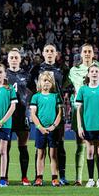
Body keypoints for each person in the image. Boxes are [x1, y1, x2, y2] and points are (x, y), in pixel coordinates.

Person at [66, 43, 99, 185]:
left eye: (89, 51)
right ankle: (79, 179)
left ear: (93, 53)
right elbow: (64, 84)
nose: (86, 54)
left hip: (96, 110)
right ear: (80, 53)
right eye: (84, 51)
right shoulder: (74, 70)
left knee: (98, 146)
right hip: (79, 110)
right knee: (80, 144)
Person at [30, 43, 68, 185]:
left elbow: (65, 86)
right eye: (47, 50)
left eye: (52, 50)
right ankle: (38, 176)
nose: (50, 53)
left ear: (56, 53)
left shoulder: (62, 68)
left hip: (55, 116)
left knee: (58, 147)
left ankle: (59, 176)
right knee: (40, 151)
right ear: (43, 53)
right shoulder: (36, 69)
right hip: (41, 118)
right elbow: (29, 85)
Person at [76, 64, 99, 188]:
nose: (94, 73)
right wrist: (80, 126)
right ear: (88, 74)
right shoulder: (83, 90)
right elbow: (79, 110)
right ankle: (91, 179)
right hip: (88, 125)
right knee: (90, 151)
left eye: (97, 71)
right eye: (92, 71)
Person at [30, 72, 63, 187]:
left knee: (53, 154)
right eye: (44, 80)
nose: (46, 83)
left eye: (49, 81)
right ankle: (39, 178)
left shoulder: (56, 96)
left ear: (52, 83)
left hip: (53, 129)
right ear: (40, 82)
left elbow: (60, 113)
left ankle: (54, 178)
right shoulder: (36, 97)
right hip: (40, 130)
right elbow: (33, 114)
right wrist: (40, 127)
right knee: (40, 154)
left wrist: (53, 126)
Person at [6, 48, 33, 186]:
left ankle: (24, 177)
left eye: (16, 57)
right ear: (8, 59)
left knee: (23, 146)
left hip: (22, 114)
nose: (14, 60)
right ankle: (4, 176)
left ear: (20, 59)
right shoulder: (3, 74)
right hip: (7, 115)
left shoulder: (26, 75)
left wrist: (29, 106)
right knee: (6, 147)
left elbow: (34, 91)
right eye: (12, 57)